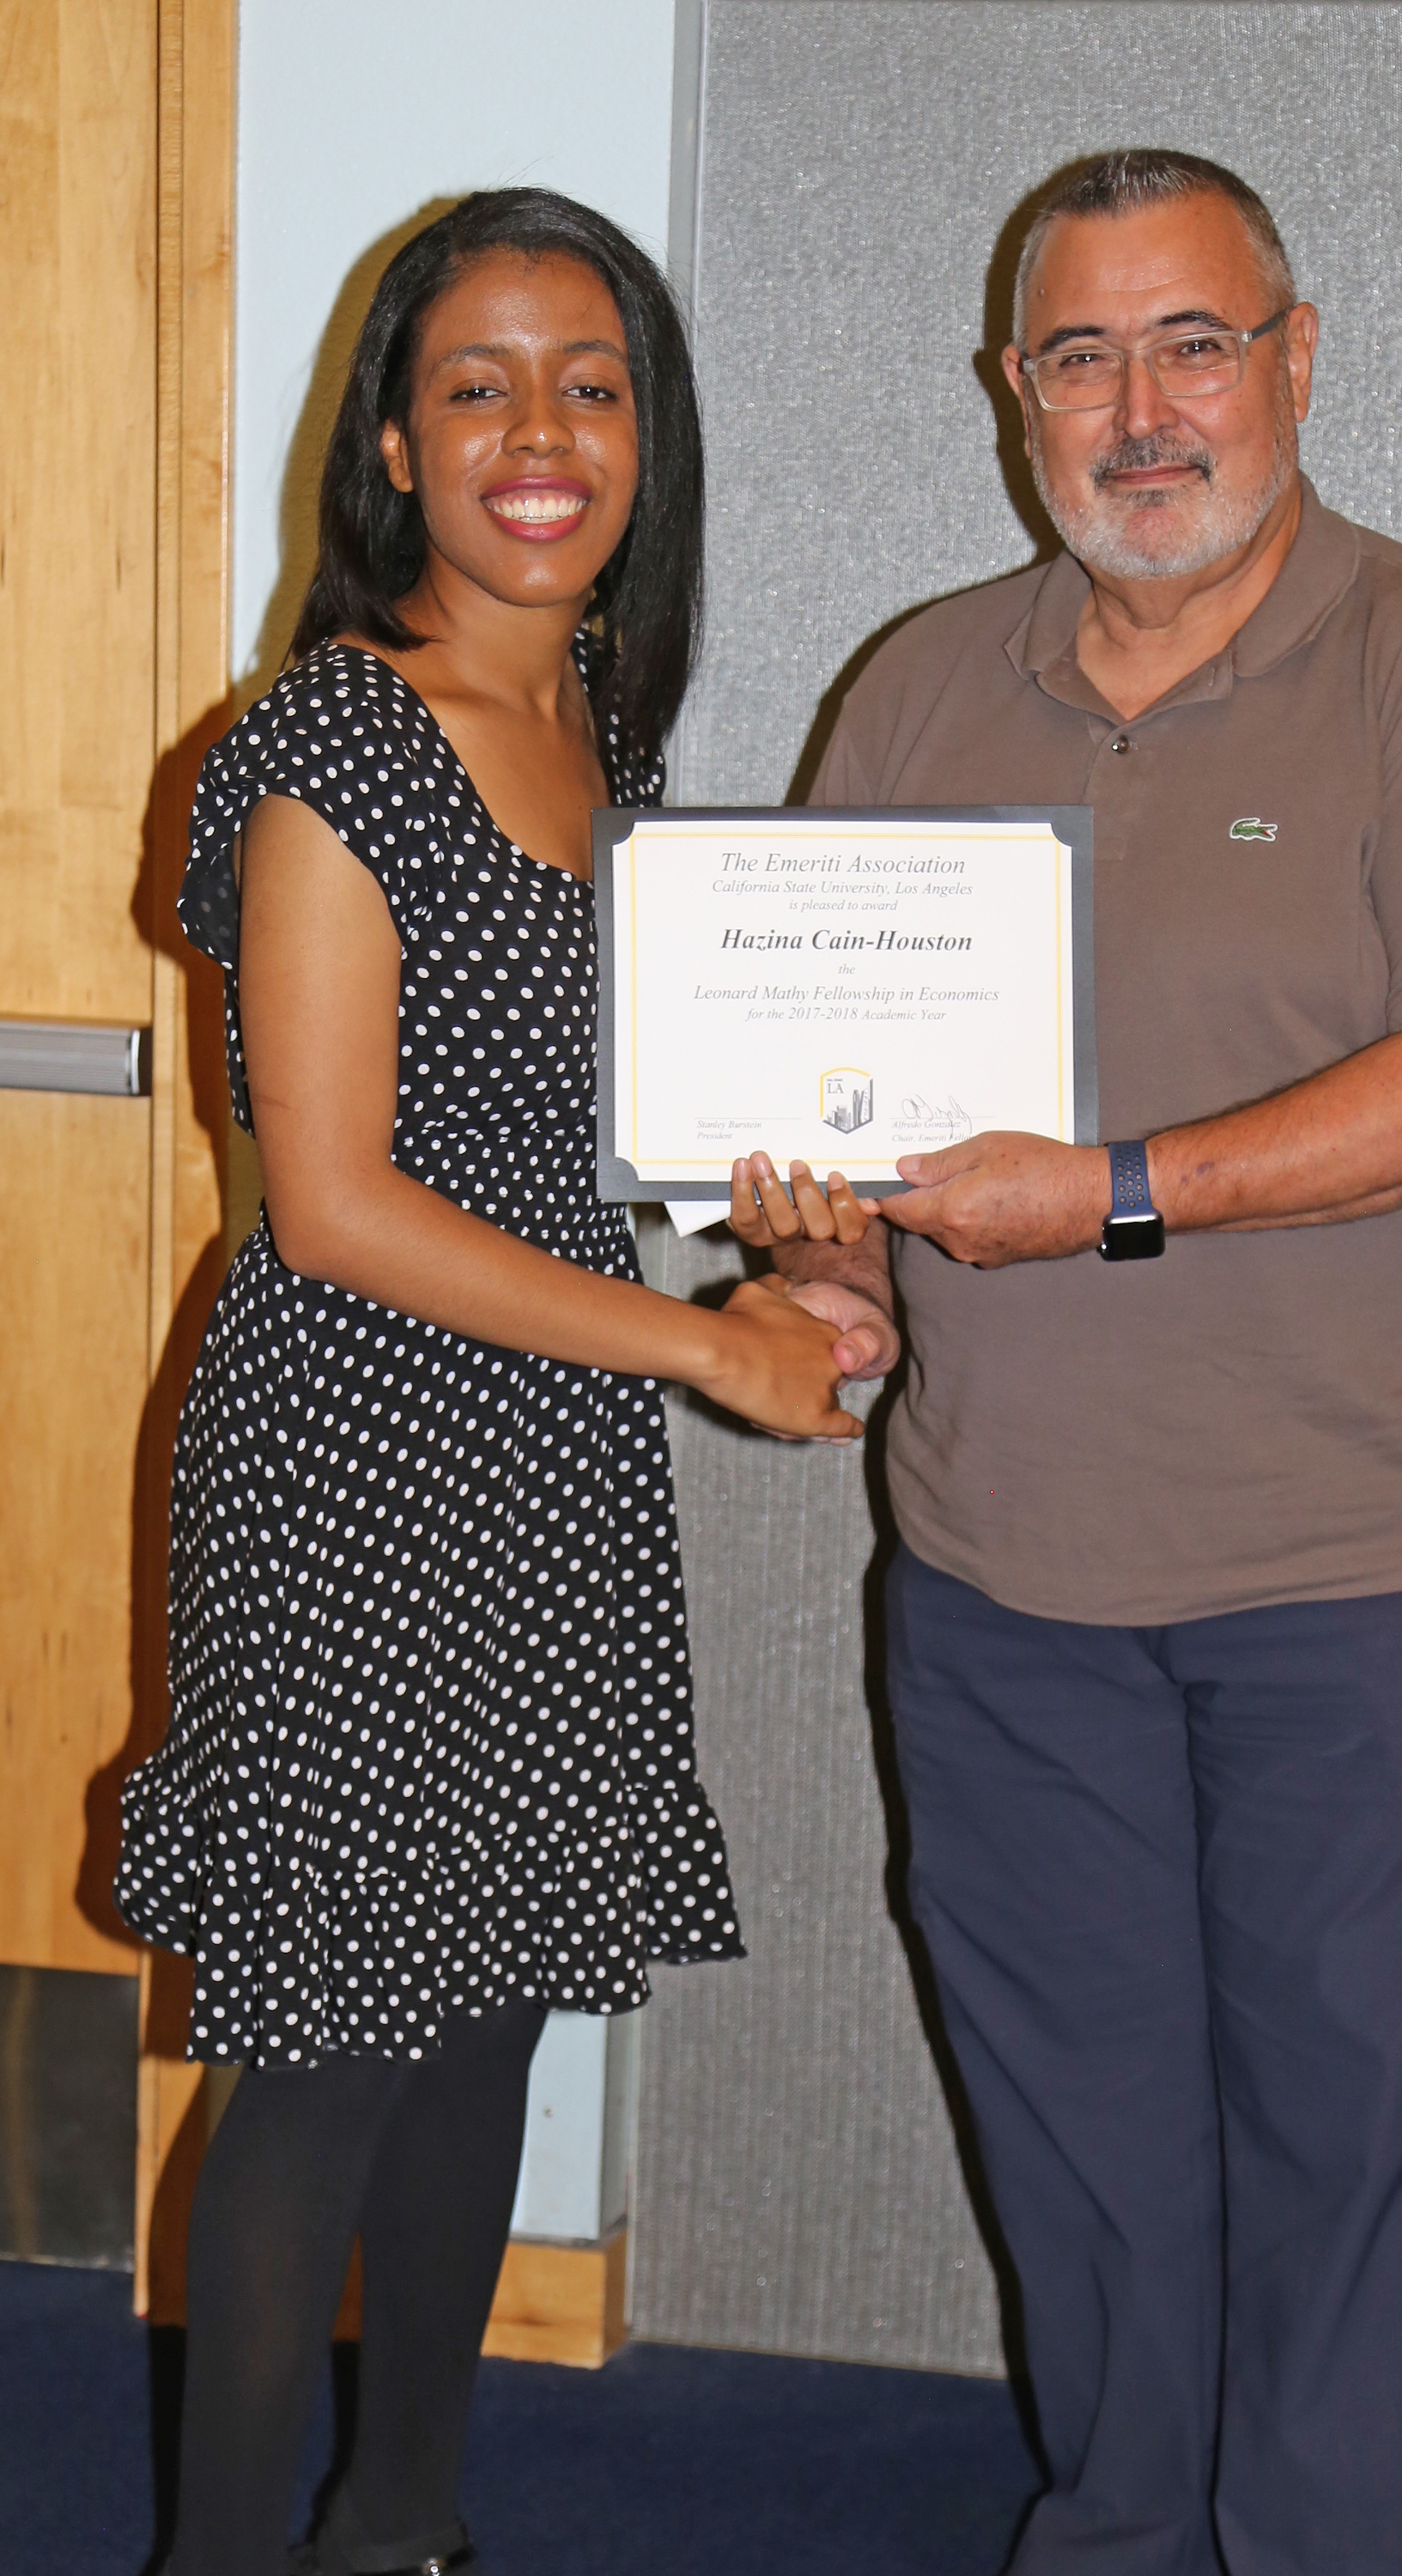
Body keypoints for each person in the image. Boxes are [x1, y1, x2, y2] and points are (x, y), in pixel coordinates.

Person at [735, 150, 1402, 2576]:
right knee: (1086, 2132)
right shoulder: (921, 685)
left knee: (1367, 2132)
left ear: (1297, 359)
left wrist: (1120, 1189)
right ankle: (1133, 2538)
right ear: (1011, 393)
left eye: (1193, 344)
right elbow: (847, 1128)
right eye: (1081, 355)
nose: (1142, 409)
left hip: (1394, 1569)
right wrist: (824, 1273)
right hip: (1008, 1574)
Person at [117, 188, 858, 2576]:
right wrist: (703, 1347)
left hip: (542, 1453)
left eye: (593, 381)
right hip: (353, 1458)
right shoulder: (337, 735)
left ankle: (399, 2530)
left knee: (488, 2023)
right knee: (323, 2067)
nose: (541, 431)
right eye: (479, 383)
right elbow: (329, 1198)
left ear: (651, 432)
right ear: (396, 449)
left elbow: (563, 1154)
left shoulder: (599, 726)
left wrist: (788, 1252)